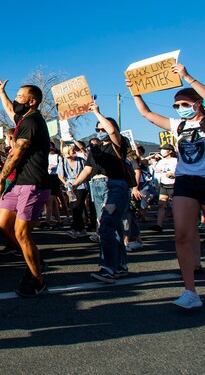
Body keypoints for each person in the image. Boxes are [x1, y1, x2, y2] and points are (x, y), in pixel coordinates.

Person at [128, 63, 205, 314]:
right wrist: (135, 92)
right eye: (176, 106)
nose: (180, 109)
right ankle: (190, 291)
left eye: (184, 104)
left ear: (196, 104)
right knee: (181, 235)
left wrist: (186, 77)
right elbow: (147, 114)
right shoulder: (177, 126)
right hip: (186, 183)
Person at [0, 76, 51, 297]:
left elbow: (16, 154)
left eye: (19, 96)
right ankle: (34, 259)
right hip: (19, 184)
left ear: (32, 101)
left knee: (21, 233)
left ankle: (38, 280)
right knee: (2, 225)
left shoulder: (32, 122)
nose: (16, 100)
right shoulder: (24, 118)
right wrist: (1, 92)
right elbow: (9, 110)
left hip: (33, 184)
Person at [69, 103, 132, 284]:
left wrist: (96, 111)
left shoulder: (119, 144)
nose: (99, 130)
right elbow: (88, 169)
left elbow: (112, 131)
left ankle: (108, 268)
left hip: (115, 187)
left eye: (101, 127)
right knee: (114, 228)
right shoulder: (95, 150)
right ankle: (120, 266)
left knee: (105, 227)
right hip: (97, 187)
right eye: (97, 129)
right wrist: (75, 184)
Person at [57, 144, 89, 239]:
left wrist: (79, 178)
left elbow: (86, 172)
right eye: (72, 150)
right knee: (73, 207)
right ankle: (81, 229)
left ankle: (74, 228)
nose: (75, 151)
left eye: (75, 150)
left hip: (81, 186)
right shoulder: (63, 161)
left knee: (77, 206)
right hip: (69, 186)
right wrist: (66, 184)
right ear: (67, 153)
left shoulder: (81, 161)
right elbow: (60, 175)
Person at [151, 144, 178, 233]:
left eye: (164, 149)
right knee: (161, 204)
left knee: (175, 206)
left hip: (173, 185)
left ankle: (179, 225)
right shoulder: (161, 161)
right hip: (163, 185)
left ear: (170, 151)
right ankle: (159, 225)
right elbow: (157, 169)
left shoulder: (176, 161)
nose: (162, 151)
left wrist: (173, 175)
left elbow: (180, 172)